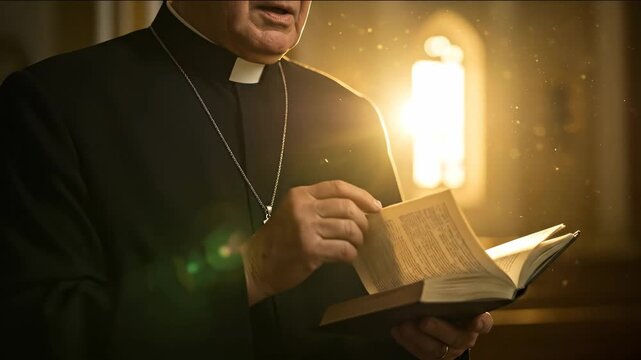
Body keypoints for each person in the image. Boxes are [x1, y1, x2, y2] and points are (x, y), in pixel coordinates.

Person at [0, 1, 492, 359]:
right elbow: (36, 332)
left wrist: (434, 338)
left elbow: (386, 318)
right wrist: (249, 273)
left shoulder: (352, 115)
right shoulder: (55, 105)